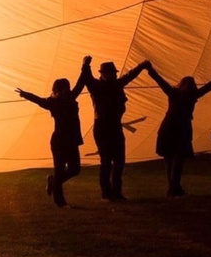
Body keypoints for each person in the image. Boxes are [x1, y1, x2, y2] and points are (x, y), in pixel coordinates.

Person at [148, 62, 211, 197]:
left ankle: (173, 187)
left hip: (168, 128)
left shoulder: (173, 93)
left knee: (169, 159)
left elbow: (160, 80)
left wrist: (149, 69)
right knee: (178, 159)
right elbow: (210, 86)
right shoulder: (192, 95)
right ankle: (175, 187)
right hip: (181, 129)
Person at [15, 60, 86, 207]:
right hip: (59, 140)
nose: (66, 91)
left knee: (75, 169)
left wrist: (85, 66)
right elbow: (38, 100)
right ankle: (60, 202)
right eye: (63, 90)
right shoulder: (53, 102)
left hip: (71, 140)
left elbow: (81, 83)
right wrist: (25, 94)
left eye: (67, 89)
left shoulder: (71, 97)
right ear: (58, 91)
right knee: (60, 170)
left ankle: (53, 181)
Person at [80, 56, 151, 201]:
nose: (114, 76)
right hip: (103, 127)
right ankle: (107, 193)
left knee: (119, 160)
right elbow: (87, 78)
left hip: (113, 126)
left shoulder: (113, 84)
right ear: (103, 74)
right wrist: (85, 65)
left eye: (114, 74)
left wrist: (142, 65)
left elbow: (130, 75)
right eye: (111, 73)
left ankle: (115, 192)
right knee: (106, 160)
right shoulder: (97, 86)